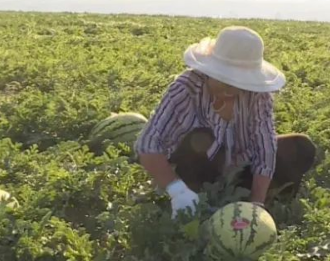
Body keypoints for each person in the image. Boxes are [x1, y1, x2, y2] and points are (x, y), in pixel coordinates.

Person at [134, 26, 317, 219]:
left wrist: (257, 202)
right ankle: (189, 199)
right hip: (192, 171)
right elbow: (148, 144)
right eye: (225, 80)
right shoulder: (186, 88)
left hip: (237, 168)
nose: (231, 90)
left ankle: (248, 203)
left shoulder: (258, 95)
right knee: (201, 138)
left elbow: (265, 148)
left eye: (239, 83)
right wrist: (177, 191)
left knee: (301, 147)